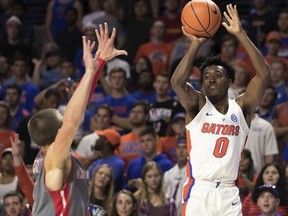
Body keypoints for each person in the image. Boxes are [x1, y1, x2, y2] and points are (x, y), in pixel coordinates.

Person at [170, 4, 270, 215]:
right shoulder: (197, 107)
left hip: (228, 193)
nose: (211, 79)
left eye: (218, 75)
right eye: (206, 76)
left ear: (230, 82)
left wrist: (241, 35)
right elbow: (177, 83)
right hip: (199, 189)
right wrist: (196, 43)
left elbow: (263, 75)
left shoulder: (242, 108)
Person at [26, 22, 127, 215]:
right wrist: (89, 71)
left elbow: (79, 104)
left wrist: (99, 64)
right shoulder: (54, 157)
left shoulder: (53, 155)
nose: (67, 118)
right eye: (61, 120)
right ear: (58, 131)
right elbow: (73, 119)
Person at [163, 136, 187, 216]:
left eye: (184, 147)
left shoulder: (193, 174)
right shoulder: (168, 174)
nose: (181, 151)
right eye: (178, 147)